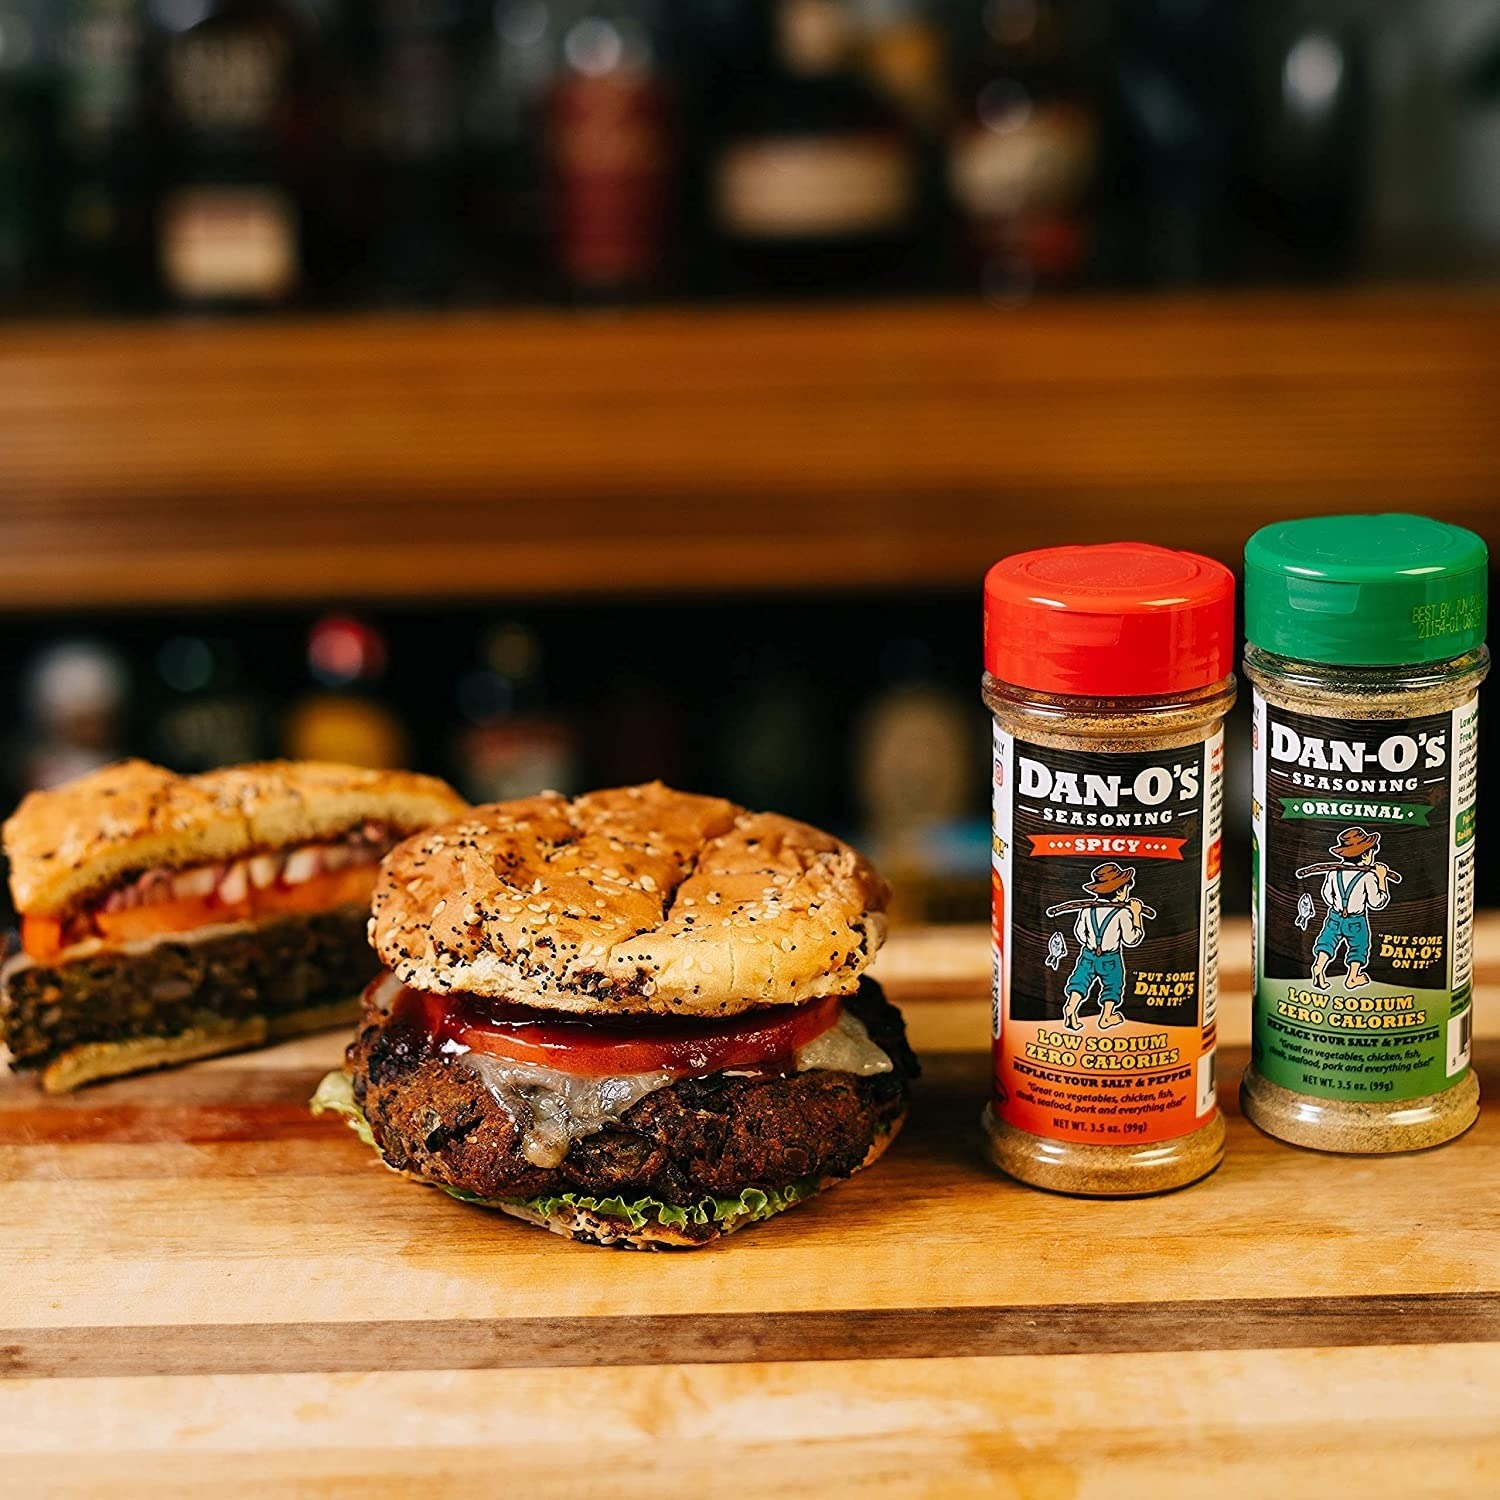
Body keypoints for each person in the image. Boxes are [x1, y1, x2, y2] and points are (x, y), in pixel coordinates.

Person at [1061, 862, 1146, 1032]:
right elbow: (1131, 939)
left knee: (1079, 981)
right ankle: (1106, 1016)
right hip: (1110, 958)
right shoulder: (1122, 913)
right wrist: (1136, 915)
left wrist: (1092, 942)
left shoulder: (1087, 910)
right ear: (1120, 891)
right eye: (1126, 889)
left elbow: (1079, 932)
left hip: (1088, 954)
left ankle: (1071, 1007)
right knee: (1113, 985)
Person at [1311, 827, 1392, 991]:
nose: (1372, 857)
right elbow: (1377, 903)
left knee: (1327, 942)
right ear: (1364, 855)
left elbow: (1326, 894)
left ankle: (1319, 966)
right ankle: (1353, 976)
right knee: (1359, 945)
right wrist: (1382, 879)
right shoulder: (1368, 877)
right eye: (1371, 853)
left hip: (1334, 916)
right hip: (1356, 920)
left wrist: (1337, 904)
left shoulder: (1334, 873)